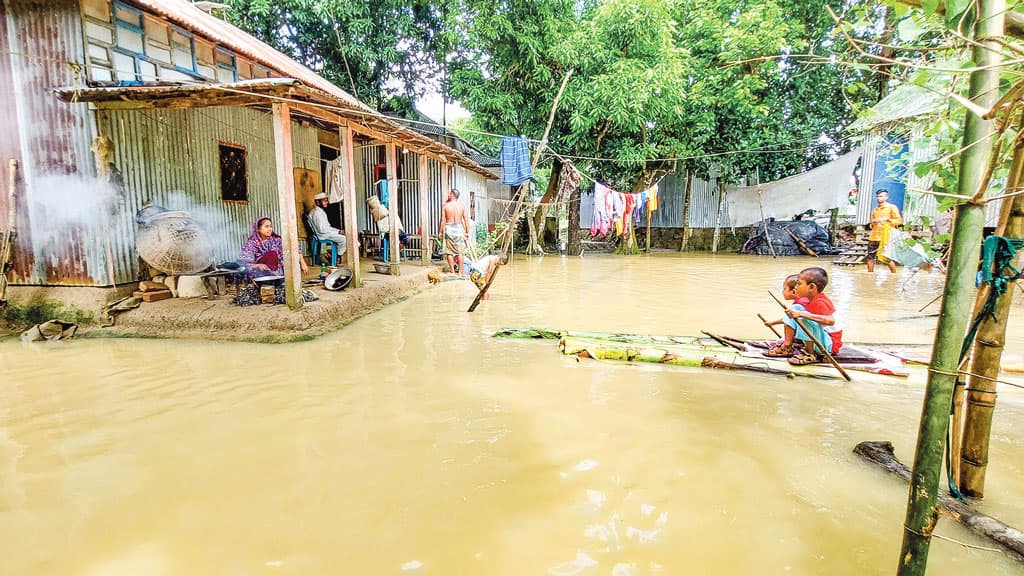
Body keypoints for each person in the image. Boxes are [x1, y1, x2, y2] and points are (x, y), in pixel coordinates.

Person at [764, 267, 843, 365]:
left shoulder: (820, 302)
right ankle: (787, 346)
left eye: (799, 284)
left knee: (803, 316)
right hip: (820, 339)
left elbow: (830, 321)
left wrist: (802, 314)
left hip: (828, 346)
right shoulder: (808, 301)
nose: (796, 287)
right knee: (795, 308)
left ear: (811, 287)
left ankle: (809, 353)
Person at [239, 217, 308, 279]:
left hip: (277, 272)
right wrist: (257, 265)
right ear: (258, 229)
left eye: (270, 226)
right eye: (266, 227)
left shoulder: (276, 240)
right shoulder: (252, 243)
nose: (269, 229)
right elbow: (244, 262)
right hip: (259, 274)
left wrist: (303, 263)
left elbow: (294, 247)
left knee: (275, 254)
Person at [763, 274, 810, 344]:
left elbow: (789, 319)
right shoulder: (803, 301)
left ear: (794, 291)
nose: (782, 292)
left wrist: (772, 323)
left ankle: (787, 345)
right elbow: (789, 318)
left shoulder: (799, 304)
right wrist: (772, 323)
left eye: (785, 289)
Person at [867, 189, 902, 273]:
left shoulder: (891, 207)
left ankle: (894, 274)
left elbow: (899, 221)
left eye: (881, 196)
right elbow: (871, 225)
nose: (878, 198)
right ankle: (870, 275)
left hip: (885, 236)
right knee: (870, 257)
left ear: (886, 197)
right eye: (877, 196)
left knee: (886, 257)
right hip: (874, 236)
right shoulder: (875, 210)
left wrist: (887, 219)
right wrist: (873, 222)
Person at [439, 188, 469, 274]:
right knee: (460, 252)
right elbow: (466, 220)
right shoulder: (461, 206)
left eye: (449, 194)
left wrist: (440, 232)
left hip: (449, 228)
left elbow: (443, 220)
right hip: (459, 229)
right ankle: (461, 272)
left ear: (452, 195)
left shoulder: (445, 206)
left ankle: (452, 271)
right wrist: (467, 232)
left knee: (449, 252)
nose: (448, 195)